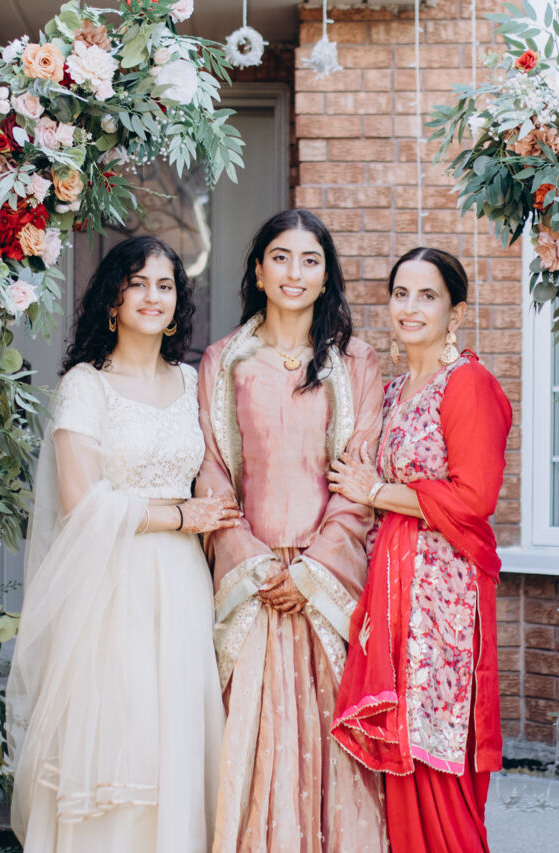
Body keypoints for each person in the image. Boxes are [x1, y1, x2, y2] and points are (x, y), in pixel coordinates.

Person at [7, 236, 238, 853]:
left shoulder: (191, 381)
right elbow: (83, 503)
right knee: (122, 729)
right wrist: (181, 515)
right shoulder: (86, 385)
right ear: (113, 299)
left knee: (175, 730)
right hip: (112, 581)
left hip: (183, 584)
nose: (152, 297)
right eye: (138, 284)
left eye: (165, 285)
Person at [198, 209, 386, 853]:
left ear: (326, 275)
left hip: (324, 583)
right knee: (250, 739)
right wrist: (254, 563)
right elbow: (214, 473)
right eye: (280, 257)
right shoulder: (226, 360)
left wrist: (311, 572)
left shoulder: (354, 362)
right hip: (251, 580)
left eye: (310, 260)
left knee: (327, 737)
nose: (294, 273)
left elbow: (359, 476)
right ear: (258, 270)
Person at [328, 247, 511, 853]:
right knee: (402, 746)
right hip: (392, 586)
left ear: (456, 312)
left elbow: (474, 498)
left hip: (443, 596)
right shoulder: (392, 391)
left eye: (427, 296)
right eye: (400, 293)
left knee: (437, 749)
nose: (410, 307)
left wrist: (377, 492)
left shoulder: (468, 385)